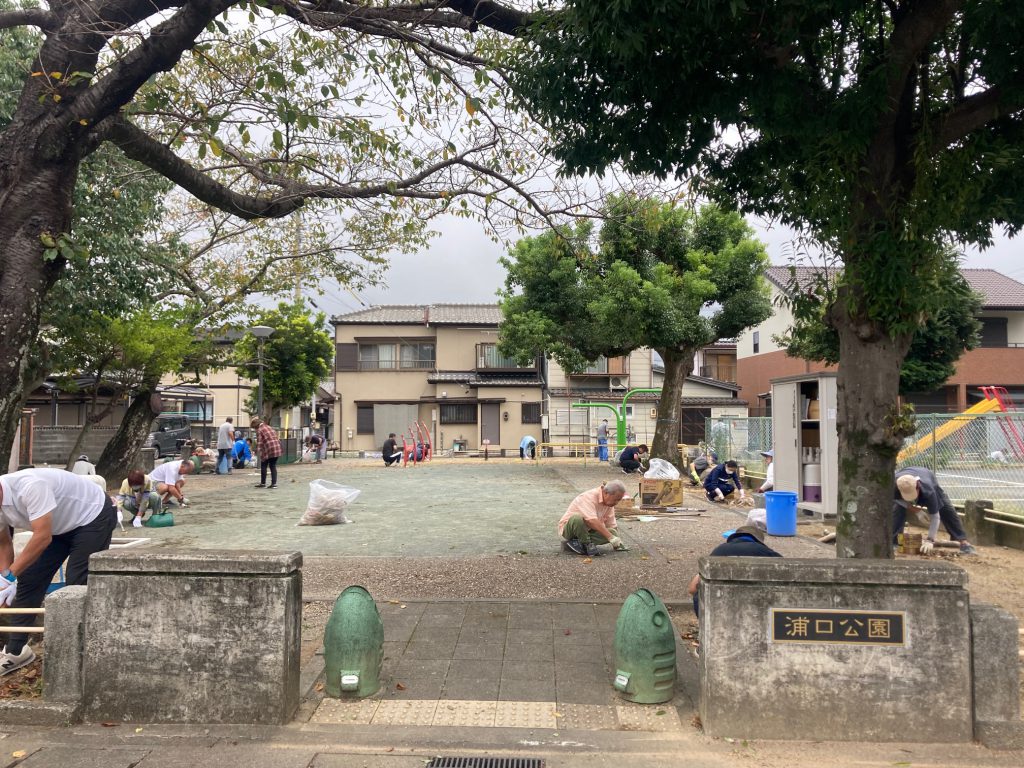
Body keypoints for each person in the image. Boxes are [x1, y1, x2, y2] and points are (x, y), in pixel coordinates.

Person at [1, 468, 118, 675]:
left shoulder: (30, 486)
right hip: (59, 527)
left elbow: (42, 537)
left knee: (76, 583)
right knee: (30, 579)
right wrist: (4, 580)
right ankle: (16, 650)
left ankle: (79, 648)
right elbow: (3, 544)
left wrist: (12, 574)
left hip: (93, 515)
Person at [687, 525, 781, 616]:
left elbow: (692, 589)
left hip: (714, 609)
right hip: (755, 608)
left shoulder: (719, 550)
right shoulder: (764, 551)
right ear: (758, 540)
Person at [893, 467, 977, 555]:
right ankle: (894, 542)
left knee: (945, 507)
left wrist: (930, 540)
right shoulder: (895, 484)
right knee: (897, 508)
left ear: (918, 486)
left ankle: (963, 542)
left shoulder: (929, 490)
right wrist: (915, 510)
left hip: (927, 476)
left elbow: (935, 516)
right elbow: (895, 499)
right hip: (905, 478)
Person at [558, 480, 629, 557]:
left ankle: (576, 544)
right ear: (606, 493)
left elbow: (611, 525)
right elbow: (591, 520)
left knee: (613, 532)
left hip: (589, 531)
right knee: (577, 518)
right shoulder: (589, 497)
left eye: (619, 500)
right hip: (570, 529)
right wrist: (610, 538)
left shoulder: (609, 504)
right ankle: (586, 544)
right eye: (616, 499)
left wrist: (617, 542)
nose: (616, 503)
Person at [252, 418, 282, 489]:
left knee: (264, 465)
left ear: (256, 425)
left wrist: (257, 451)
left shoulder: (260, 430)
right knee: (273, 465)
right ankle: (274, 484)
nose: (254, 429)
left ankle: (263, 483)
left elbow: (260, 442)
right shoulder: (269, 427)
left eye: (254, 428)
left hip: (268, 448)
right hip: (277, 447)